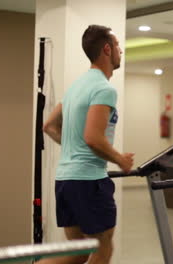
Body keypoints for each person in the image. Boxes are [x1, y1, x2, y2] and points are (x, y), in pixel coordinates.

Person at [40, 25, 134, 264]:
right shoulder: (104, 89)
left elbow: (49, 126)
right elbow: (93, 138)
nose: (120, 51)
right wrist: (120, 159)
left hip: (65, 179)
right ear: (106, 49)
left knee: (78, 252)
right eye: (117, 46)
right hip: (89, 181)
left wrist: (73, 148)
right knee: (102, 250)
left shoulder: (76, 87)